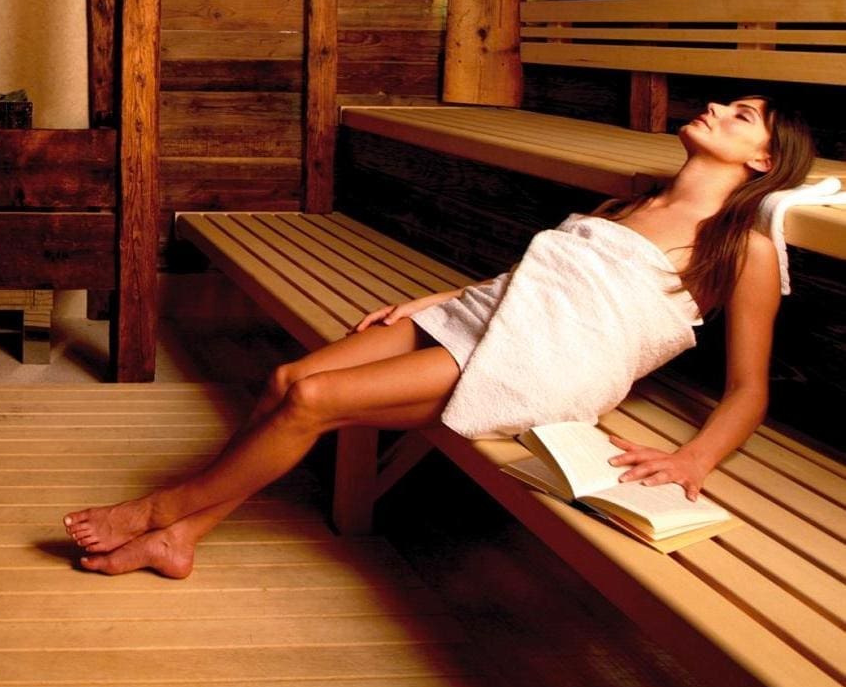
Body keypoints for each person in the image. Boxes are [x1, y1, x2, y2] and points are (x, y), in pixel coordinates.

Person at [63, 96, 815, 578]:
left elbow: (748, 387)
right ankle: (182, 539)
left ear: (763, 160)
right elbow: (545, 276)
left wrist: (693, 457)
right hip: (487, 314)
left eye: (741, 115)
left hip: (543, 360)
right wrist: (439, 298)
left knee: (313, 400)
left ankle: (162, 511)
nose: (715, 108)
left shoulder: (740, 248)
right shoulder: (630, 204)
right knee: (286, 380)